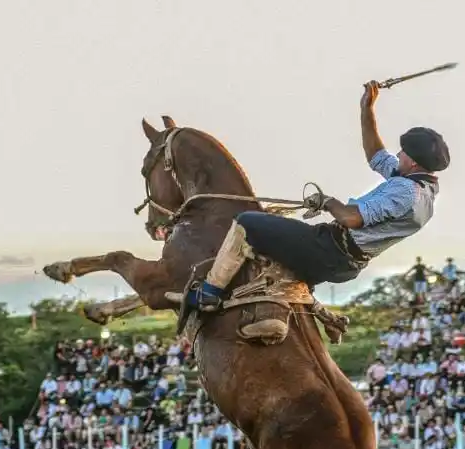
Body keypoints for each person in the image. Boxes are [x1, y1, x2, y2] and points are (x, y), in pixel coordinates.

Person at [180, 80, 450, 312]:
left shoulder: (405, 190)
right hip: (346, 264)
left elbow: (351, 219)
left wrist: (326, 202)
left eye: (403, 153)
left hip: (328, 250)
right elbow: (376, 156)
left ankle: (208, 293)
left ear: (413, 162)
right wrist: (366, 109)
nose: (397, 154)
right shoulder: (421, 188)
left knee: (246, 221)